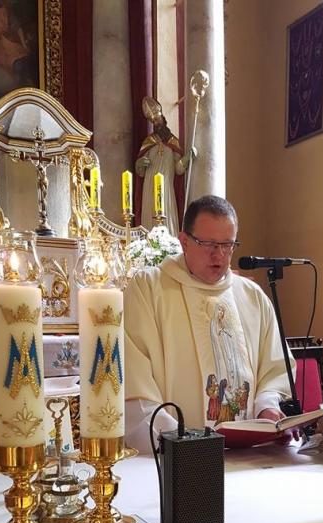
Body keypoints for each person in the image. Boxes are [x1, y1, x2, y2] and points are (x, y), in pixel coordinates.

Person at [124, 195, 296, 451]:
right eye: (208, 244)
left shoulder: (253, 296)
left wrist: (267, 407)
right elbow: (136, 387)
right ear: (184, 241)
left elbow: (274, 371)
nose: (219, 255)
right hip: (180, 459)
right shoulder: (148, 289)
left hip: (250, 455)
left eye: (228, 245)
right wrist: (183, 444)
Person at [135, 97, 195, 236]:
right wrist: (140, 164)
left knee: (167, 215)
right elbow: (140, 172)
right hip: (149, 187)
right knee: (149, 217)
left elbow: (178, 169)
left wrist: (188, 157)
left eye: (158, 119)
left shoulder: (173, 142)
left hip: (166, 186)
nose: (157, 123)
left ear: (163, 118)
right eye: (154, 121)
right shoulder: (148, 142)